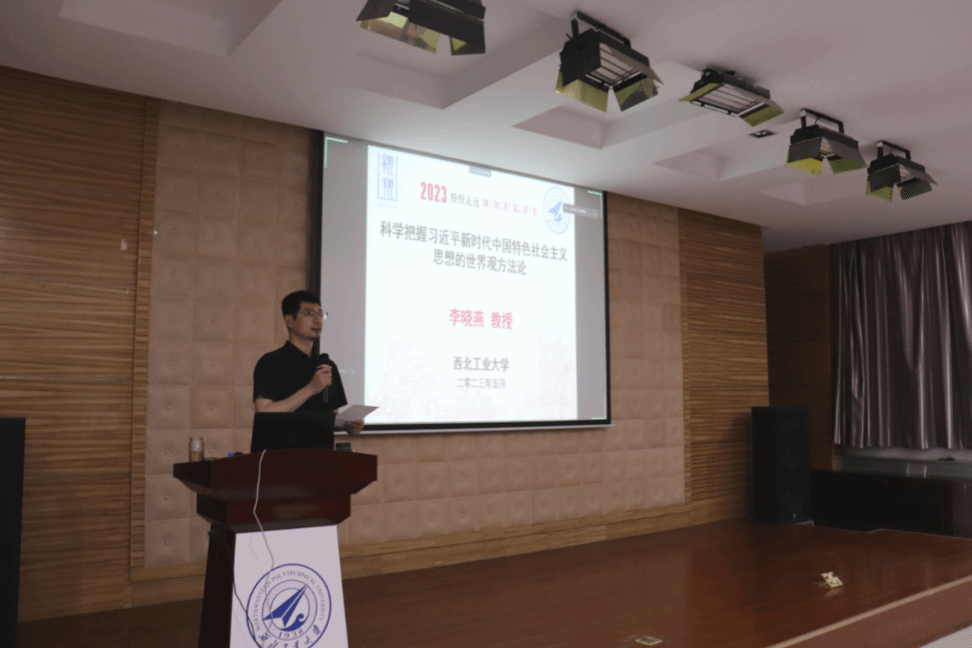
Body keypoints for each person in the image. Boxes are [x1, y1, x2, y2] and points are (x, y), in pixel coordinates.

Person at [253, 290, 364, 435]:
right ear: (289, 321)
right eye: (309, 314)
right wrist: (310, 389)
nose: (318, 320)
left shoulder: (327, 365)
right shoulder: (270, 362)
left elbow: (330, 415)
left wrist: (345, 425)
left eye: (320, 314)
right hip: (283, 448)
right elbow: (264, 413)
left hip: (321, 448)